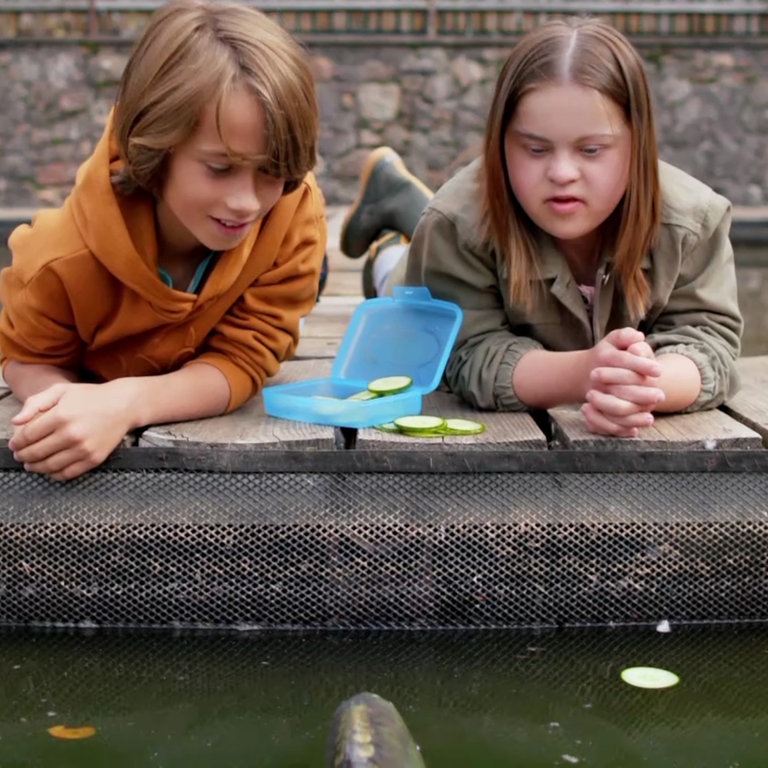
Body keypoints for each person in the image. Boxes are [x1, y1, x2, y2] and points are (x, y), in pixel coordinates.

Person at [340, 17, 743, 438]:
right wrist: (587, 373)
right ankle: (389, 246)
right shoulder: (454, 224)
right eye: (535, 149)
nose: (562, 172)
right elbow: (465, 355)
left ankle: (399, 201)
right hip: (422, 282)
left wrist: (643, 386)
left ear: (637, 146)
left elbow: (709, 340)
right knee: (399, 295)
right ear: (501, 144)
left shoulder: (694, 221)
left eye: (591, 149)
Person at [0, 0, 327, 480]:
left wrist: (126, 402)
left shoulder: (293, 212)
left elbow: (246, 357)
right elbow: (25, 357)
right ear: (154, 146)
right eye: (220, 168)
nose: (247, 203)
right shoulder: (60, 258)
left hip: (294, 273)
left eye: (272, 172)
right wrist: (66, 409)